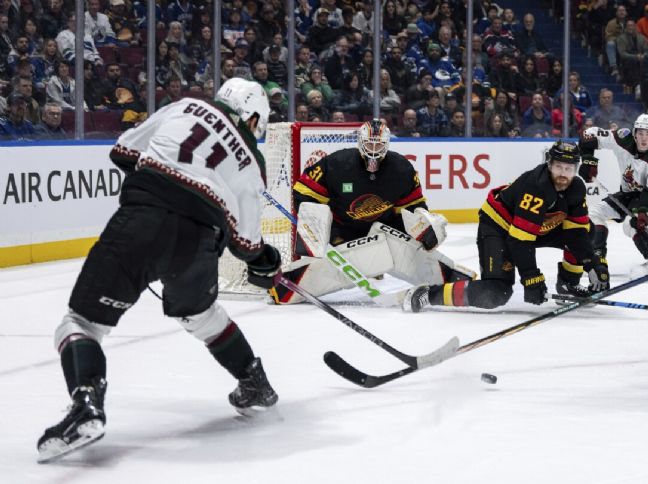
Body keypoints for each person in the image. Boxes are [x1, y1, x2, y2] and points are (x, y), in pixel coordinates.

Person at [36, 78, 280, 463]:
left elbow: (124, 150)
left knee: (81, 322)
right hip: (199, 242)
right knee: (200, 314)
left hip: (144, 221)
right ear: (252, 117)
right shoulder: (251, 160)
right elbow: (247, 244)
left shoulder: (184, 107)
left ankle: (86, 405)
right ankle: (254, 381)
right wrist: (264, 262)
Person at [270, 119, 474, 304]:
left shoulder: (402, 169)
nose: (374, 150)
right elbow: (304, 191)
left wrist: (424, 226)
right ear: (360, 142)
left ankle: (452, 280)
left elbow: (414, 206)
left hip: (383, 226)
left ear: (386, 144)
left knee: (395, 247)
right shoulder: (338, 164)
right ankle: (286, 286)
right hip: (341, 229)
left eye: (378, 145)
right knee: (358, 254)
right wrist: (315, 230)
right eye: (370, 144)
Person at [403, 140, 609, 312]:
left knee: (588, 230)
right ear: (549, 164)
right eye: (558, 167)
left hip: (534, 229)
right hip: (499, 228)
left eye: (569, 168)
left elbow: (577, 233)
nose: (563, 174)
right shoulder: (536, 188)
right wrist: (531, 278)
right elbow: (520, 241)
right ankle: (429, 295)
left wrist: (592, 263)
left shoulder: (577, 188)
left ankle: (568, 284)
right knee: (495, 293)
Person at [579, 114, 648, 266]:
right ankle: (598, 256)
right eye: (640, 133)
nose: (644, 138)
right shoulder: (624, 138)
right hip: (628, 194)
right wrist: (588, 160)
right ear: (634, 132)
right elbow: (589, 135)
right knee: (594, 213)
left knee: (631, 224)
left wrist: (642, 212)